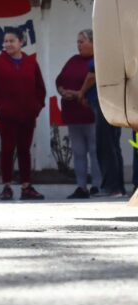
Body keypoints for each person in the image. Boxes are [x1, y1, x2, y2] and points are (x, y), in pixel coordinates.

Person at [0, 27, 47, 201]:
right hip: (6, 115)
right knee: (7, 149)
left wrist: (36, 107)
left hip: (27, 115)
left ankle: (27, 186)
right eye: (5, 41)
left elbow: (40, 88)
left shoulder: (31, 63)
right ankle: (7, 186)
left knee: (25, 149)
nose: (7, 44)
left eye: (11, 41)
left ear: (21, 42)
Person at [56, 29, 101, 198]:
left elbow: (94, 83)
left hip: (91, 114)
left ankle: (97, 185)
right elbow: (60, 79)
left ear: (93, 43)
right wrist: (62, 91)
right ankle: (81, 186)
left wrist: (77, 94)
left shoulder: (98, 62)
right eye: (77, 42)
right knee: (79, 152)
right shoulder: (73, 60)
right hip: (74, 116)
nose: (79, 45)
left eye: (82, 41)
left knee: (95, 151)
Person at [79, 42, 125, 197]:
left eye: (82, 41)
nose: (78, 45)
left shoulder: (103, 51)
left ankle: (112, 188)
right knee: (112, 145)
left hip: (104, 102)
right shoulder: (115, 51)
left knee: (105, 145)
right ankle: (117, 187)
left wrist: (81, 92)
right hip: (112, 102)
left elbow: (92, 76)